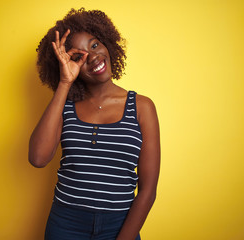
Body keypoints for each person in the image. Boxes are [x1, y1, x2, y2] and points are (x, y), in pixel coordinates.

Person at [29, 8, 160, 240]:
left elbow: (148, 191)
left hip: (119, 226)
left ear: (107, 43)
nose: (93, 57)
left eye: (95, 45)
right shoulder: (65, 106)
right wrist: (64, 83)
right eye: (79, 56)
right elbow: (38, 158)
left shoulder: (142, 107)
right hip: (65, 224)